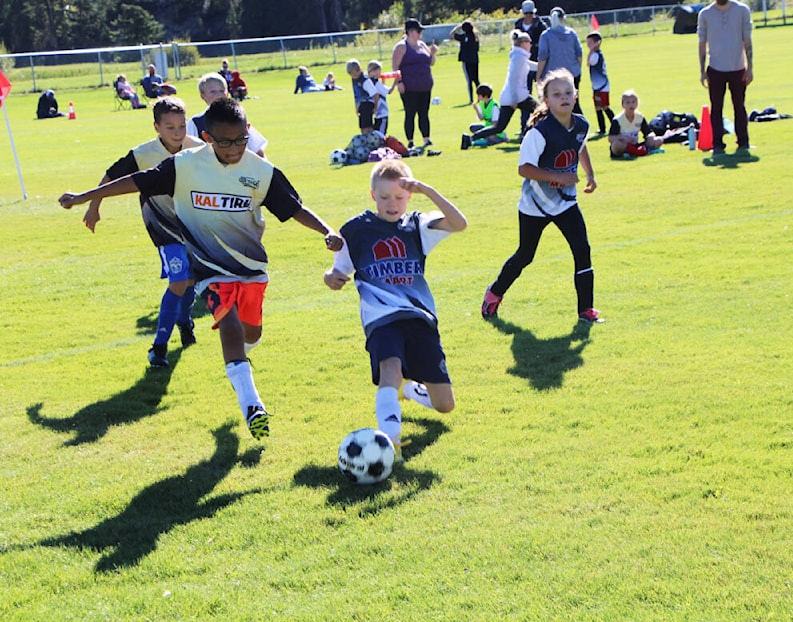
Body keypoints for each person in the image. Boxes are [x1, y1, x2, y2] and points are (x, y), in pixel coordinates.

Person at [59, 98, 343, 440]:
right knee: (230, 324)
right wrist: (85, 197)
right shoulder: (184, 165)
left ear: (248, 132)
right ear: (207, 137)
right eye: (224, 142)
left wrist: (326, 230)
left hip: (251, 267)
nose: (234, 148)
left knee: (251, 333)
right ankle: (251, 404)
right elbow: (137, 180)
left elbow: (294, 208)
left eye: (240, 139)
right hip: (207, 268)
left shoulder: (261, 172)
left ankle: (240, 362)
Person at [323, 159, 467, 456]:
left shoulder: (417, 225)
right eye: (385, 197)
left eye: (399, 197)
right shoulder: (354, 230)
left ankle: (410, 389)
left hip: (420, 319)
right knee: (390, 367)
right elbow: (339, 271)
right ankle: (391, 442)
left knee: (445, 404)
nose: (392, 204)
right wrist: (331, 277)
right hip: (381, 319)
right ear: (373, 195)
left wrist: (428, 190)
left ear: (409, 196)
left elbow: (459, 223)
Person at [80, 97, 204, 367]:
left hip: (196, 226)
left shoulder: (199, 150)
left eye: (182, 126)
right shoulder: (142, 154)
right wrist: (94, 206)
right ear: (156, 127)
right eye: (170, 127)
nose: (177, 132)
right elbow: (111, 176)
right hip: (164, 228)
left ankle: (184, 321)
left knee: (190, 282)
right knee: (178, 281)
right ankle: (159, 348)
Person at [480, 69, 602, 324]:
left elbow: (580, 146)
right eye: (557, 94)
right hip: (535, 204)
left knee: (582, 249)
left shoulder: (582, 124)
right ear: (546, 100)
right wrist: (558, 177)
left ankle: (586, 311)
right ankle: (494, 294)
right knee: (526, 255)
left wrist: (589, 174)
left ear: (576, 95)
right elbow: (524, 169)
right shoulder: (539, 131)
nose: (564, 97)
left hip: (566, 203)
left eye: (568, 92)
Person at [462, 30, 538, 149]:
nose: (531, 44)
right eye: (529, 42)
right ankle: (527, 138)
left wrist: (544, 64)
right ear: (522, 43)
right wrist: (514, 99)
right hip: (517, 96)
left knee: (499, 127)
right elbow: (513, 79)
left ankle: (470, 139)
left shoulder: (519, 57)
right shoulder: (518, 58)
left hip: (512, 96)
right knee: (540, 112)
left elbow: (531, 65)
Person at [698, 0, 753, 156]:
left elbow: (747, 39)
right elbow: (702, 43)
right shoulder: (705, 14)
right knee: (716, 109)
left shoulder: (742, 10)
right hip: (715, 69)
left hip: (738, 68)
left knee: (739, 106)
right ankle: (717, 144)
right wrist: (702, 71)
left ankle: (743, 142)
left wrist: (750, 68)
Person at [187, 73, 268, 158]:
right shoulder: (195, 122)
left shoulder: (237, 117)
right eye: (213, 91)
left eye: (222, 90)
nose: (219, 94)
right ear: (202, 96)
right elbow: (190, 153)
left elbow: (257, 150)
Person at [392, 18, 438, 149]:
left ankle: (426, 139)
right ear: (410, 32)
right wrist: (399, 82)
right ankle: (410, 141)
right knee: (410, 113)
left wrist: (433, 53)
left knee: (424, 113)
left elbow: (431, 62)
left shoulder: (422, 45)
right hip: (409, 86)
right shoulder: (401, 46)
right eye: (418, 31)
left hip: (425, 85)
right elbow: (395, 66)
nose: (419, 34)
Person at [536, 7, 584, 116]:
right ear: (563, 18)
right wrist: (577, 69)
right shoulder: (572, 33)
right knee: (574, 102)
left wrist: (538, 76)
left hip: (553, 76)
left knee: (553, 104)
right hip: (573, 73)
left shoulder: (546, 35)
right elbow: (579, 54)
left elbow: (542, 57)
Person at [608, 89, 664, 158]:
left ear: (637, 104)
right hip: (624, 146)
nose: (631, 105)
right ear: (623, 105)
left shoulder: (640, 117)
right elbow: (610, 138)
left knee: (659, 140)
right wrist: (624, 138)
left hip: (636, 145)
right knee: (616, 145)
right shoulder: (618, 120)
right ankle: (639, 152)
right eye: (627, 102)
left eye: (633, 102)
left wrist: (651, 136)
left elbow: (648, 132)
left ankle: (636, 151)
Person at [514, 1, 550, 101]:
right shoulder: (518, 25)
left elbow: (546, 44)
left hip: (539, 62)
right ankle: (525, 116)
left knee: (543, 91)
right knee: (525, 92)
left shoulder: (541, 26)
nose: (528, 16)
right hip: (523, 64)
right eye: (526, 13)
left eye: (530, 13)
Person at [586, 32, 615, 136]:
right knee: (598, 107)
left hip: (602, 86)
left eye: (590, 42)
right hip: (597, 86)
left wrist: (590, 50)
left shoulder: (596, 55)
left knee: (605, 106)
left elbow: (588, 62)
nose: (588, 44)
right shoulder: (596, 54)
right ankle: (602, 129)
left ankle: (615, 125)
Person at [463, 84, 507, 148]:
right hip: (487, 126)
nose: (477, 97)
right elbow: (481, 118)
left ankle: (502, 139)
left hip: (494, 130)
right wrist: (477, 110)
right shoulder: (482, 103)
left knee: (490, 137)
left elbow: (495, 125)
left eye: (479, 95)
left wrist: (484, 132)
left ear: (485, 96)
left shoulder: (494, 106)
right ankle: (480, 139)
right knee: (472, 127)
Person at [450, 21, 480, 103]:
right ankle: (481, 97)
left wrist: (457, 27)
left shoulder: (463, 37)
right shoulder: (475, 37)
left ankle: (471, 99)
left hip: (466, 61)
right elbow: (477, 49)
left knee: (469, 80)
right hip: (475, 60)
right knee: (476, 80)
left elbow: (452, 34)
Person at [347, 58, 378, 135]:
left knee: (367, 127)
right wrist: (357, 107)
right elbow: (356, 95)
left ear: (359, 70)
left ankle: (370, 141)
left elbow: (375, 93)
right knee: (362, 127)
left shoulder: (365, 80)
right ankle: (365, 140)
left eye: (354, 74)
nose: (353, 76)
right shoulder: (354, 79)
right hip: (361, 105)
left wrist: (375, 107)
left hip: (367, 104)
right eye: (351, 75)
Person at [368, 60, 394, 136]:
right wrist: (396, 81)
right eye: (379, 71)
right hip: (382, 112)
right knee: (381, 134)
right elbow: (388, 92)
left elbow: (381, 91)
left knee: (376, 132)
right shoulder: (375, 82)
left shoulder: (369, 81)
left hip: (375, 113)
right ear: (373, 71)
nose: (380, 73)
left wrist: (383, 82)